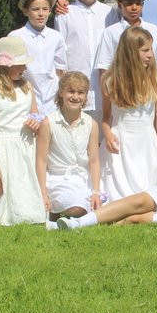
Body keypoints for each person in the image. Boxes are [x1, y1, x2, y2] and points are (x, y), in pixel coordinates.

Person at [0, 35, 47, 226]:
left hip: (24, 146)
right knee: (1, 196)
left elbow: (36, 114)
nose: (25, 68)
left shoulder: (27, 86)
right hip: (0, 149)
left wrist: (35, 121)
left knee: (23, 192)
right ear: (5, 65)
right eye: (20, 64)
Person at [99, 26, 157, 200]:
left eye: (151, 49)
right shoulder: (110, 81)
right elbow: (106, 118)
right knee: (117, 194)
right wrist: (107, 134)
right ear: (130, 52)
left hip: (147, 143)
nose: (151, 55)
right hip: (121, 143)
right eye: (145, 50)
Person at [36, 71, 103, 221]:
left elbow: (94, 160)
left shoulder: (91, 124)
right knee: (76, 208)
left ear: (86, 96)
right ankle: (56, 209)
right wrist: (43, 193)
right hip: (58, 178)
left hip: (82, 178)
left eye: (80, 93)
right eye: (71, 91)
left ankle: (63, 210)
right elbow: (41, 161)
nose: (75, 97)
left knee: (98, 205)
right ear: (61, 93)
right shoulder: (49, 123)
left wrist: (96, 191)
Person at [55, 0, 111, 122]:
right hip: (76, 88)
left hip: (103, 87)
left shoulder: (109, 13)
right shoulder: (65, 13)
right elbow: (61, 52)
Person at [93, 0, 157, 99]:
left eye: (138, 3)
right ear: (120, 5)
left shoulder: (153, 30)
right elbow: (104, 69)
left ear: (143, 4)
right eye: (129, 3)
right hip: (121, 92)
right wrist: (108, 98)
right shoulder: (111, 32)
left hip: (149, 91)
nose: (134, 7)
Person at [10, 0, 67, 115]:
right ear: (25, 11)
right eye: (35, 9)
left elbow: (61, 68)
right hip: (25, 95)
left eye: (45, 9)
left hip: (52, 97)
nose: (41, 14)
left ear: (49, 11)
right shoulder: (16, 36)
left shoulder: (56, 36)